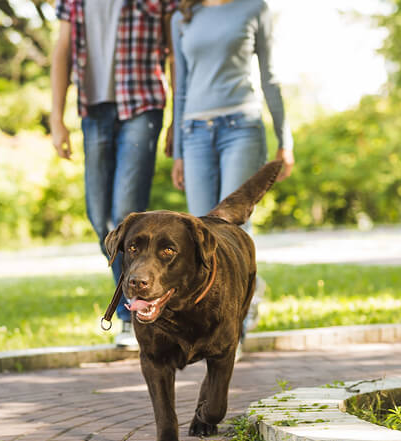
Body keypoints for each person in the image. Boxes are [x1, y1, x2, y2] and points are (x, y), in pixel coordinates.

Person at [51, 0, 178, 347]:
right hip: (93, 109)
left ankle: (132, 315)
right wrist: (56, 117)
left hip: (143, 104)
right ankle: (140, 305)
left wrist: (177, 120)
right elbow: (61, 51)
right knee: (100, 219)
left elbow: (174, 54)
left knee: (125, 215)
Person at [170, 0, 295, 342]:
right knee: (197, 232)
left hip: (241, 126)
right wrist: (178, 151)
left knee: (232, 224)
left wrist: (285, 139)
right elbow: (180, 89)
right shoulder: (182, 16)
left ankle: (233, 327)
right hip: (194, 133)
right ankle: (238, 300)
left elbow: (269, 77)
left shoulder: (254, 8)